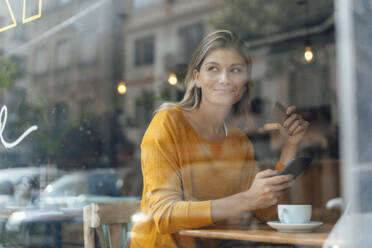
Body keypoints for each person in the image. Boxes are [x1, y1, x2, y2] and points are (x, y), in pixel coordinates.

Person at [130, 30, 309, 248]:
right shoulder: (168, 123)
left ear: (243, 86)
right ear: (197, 78)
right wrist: (246, 199)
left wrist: (290, 146)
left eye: (235, 70)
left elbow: (267, 214)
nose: (224, 79)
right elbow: (163, 215)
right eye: (213, 68)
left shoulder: (239, 141)